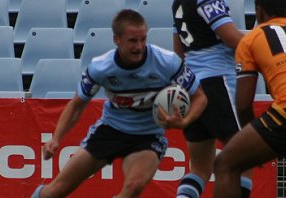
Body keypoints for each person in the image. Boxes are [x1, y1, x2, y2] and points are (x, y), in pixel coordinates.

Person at [31, 9, 207, 198]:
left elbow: (200, 97)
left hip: (148, 137)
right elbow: (76, 105)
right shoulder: (101, 67)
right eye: (133, 40)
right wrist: (56, 138)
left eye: (143, 39)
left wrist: (184, 121)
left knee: (134, 186)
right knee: (55, 192)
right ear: (117, 40)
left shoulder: (167, 62)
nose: (139, 47)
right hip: (110, 130)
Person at [168, 0, 253, 197]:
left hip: (191, 87)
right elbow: (233, 39)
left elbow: (178, 53)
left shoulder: (177, 3)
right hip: (217, 82)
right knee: (245, 158)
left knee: (199, 169)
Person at [213, 0, 286, 197]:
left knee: (225, 164)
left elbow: (244, 106)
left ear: (259, 12)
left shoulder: (252, 38)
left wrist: (253, 143)